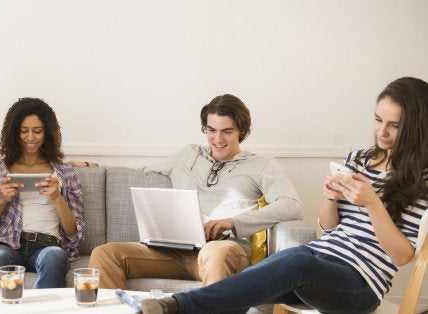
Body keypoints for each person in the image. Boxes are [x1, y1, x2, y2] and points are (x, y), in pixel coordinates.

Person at [141, 76, 428, 314]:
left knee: (296, 261)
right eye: (378, 120)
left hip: (358, 284)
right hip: (317, 261)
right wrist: (330, 196)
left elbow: (403, 256)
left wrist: (372, 203)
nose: (382, 131)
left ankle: (177, 307)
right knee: (266, 274)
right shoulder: (358, 159)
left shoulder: (422, 178)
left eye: (395, 125)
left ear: (416, 127)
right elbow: (328, 227)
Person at [87, 94, 303, 289]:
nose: (218, 140)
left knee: (214, 252)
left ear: (241, 131)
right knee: (105, 253)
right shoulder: (187, 156)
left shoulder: (262, 164)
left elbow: (291, 204)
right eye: (211, 130)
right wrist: (90, 167)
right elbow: (142, 171)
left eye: (227, 131)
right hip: (175, 251)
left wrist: (232, 222)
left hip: (224, 250)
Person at [0, 97, 85, 290]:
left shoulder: (65, 173)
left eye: (37, 131)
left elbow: (75, 236)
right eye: (24, 131)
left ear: (47, 133)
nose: (31, 138)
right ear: (13, 133)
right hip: (6, 245)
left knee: (55, 256)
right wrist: (1, 200)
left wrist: (57, 198)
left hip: (47, 245)